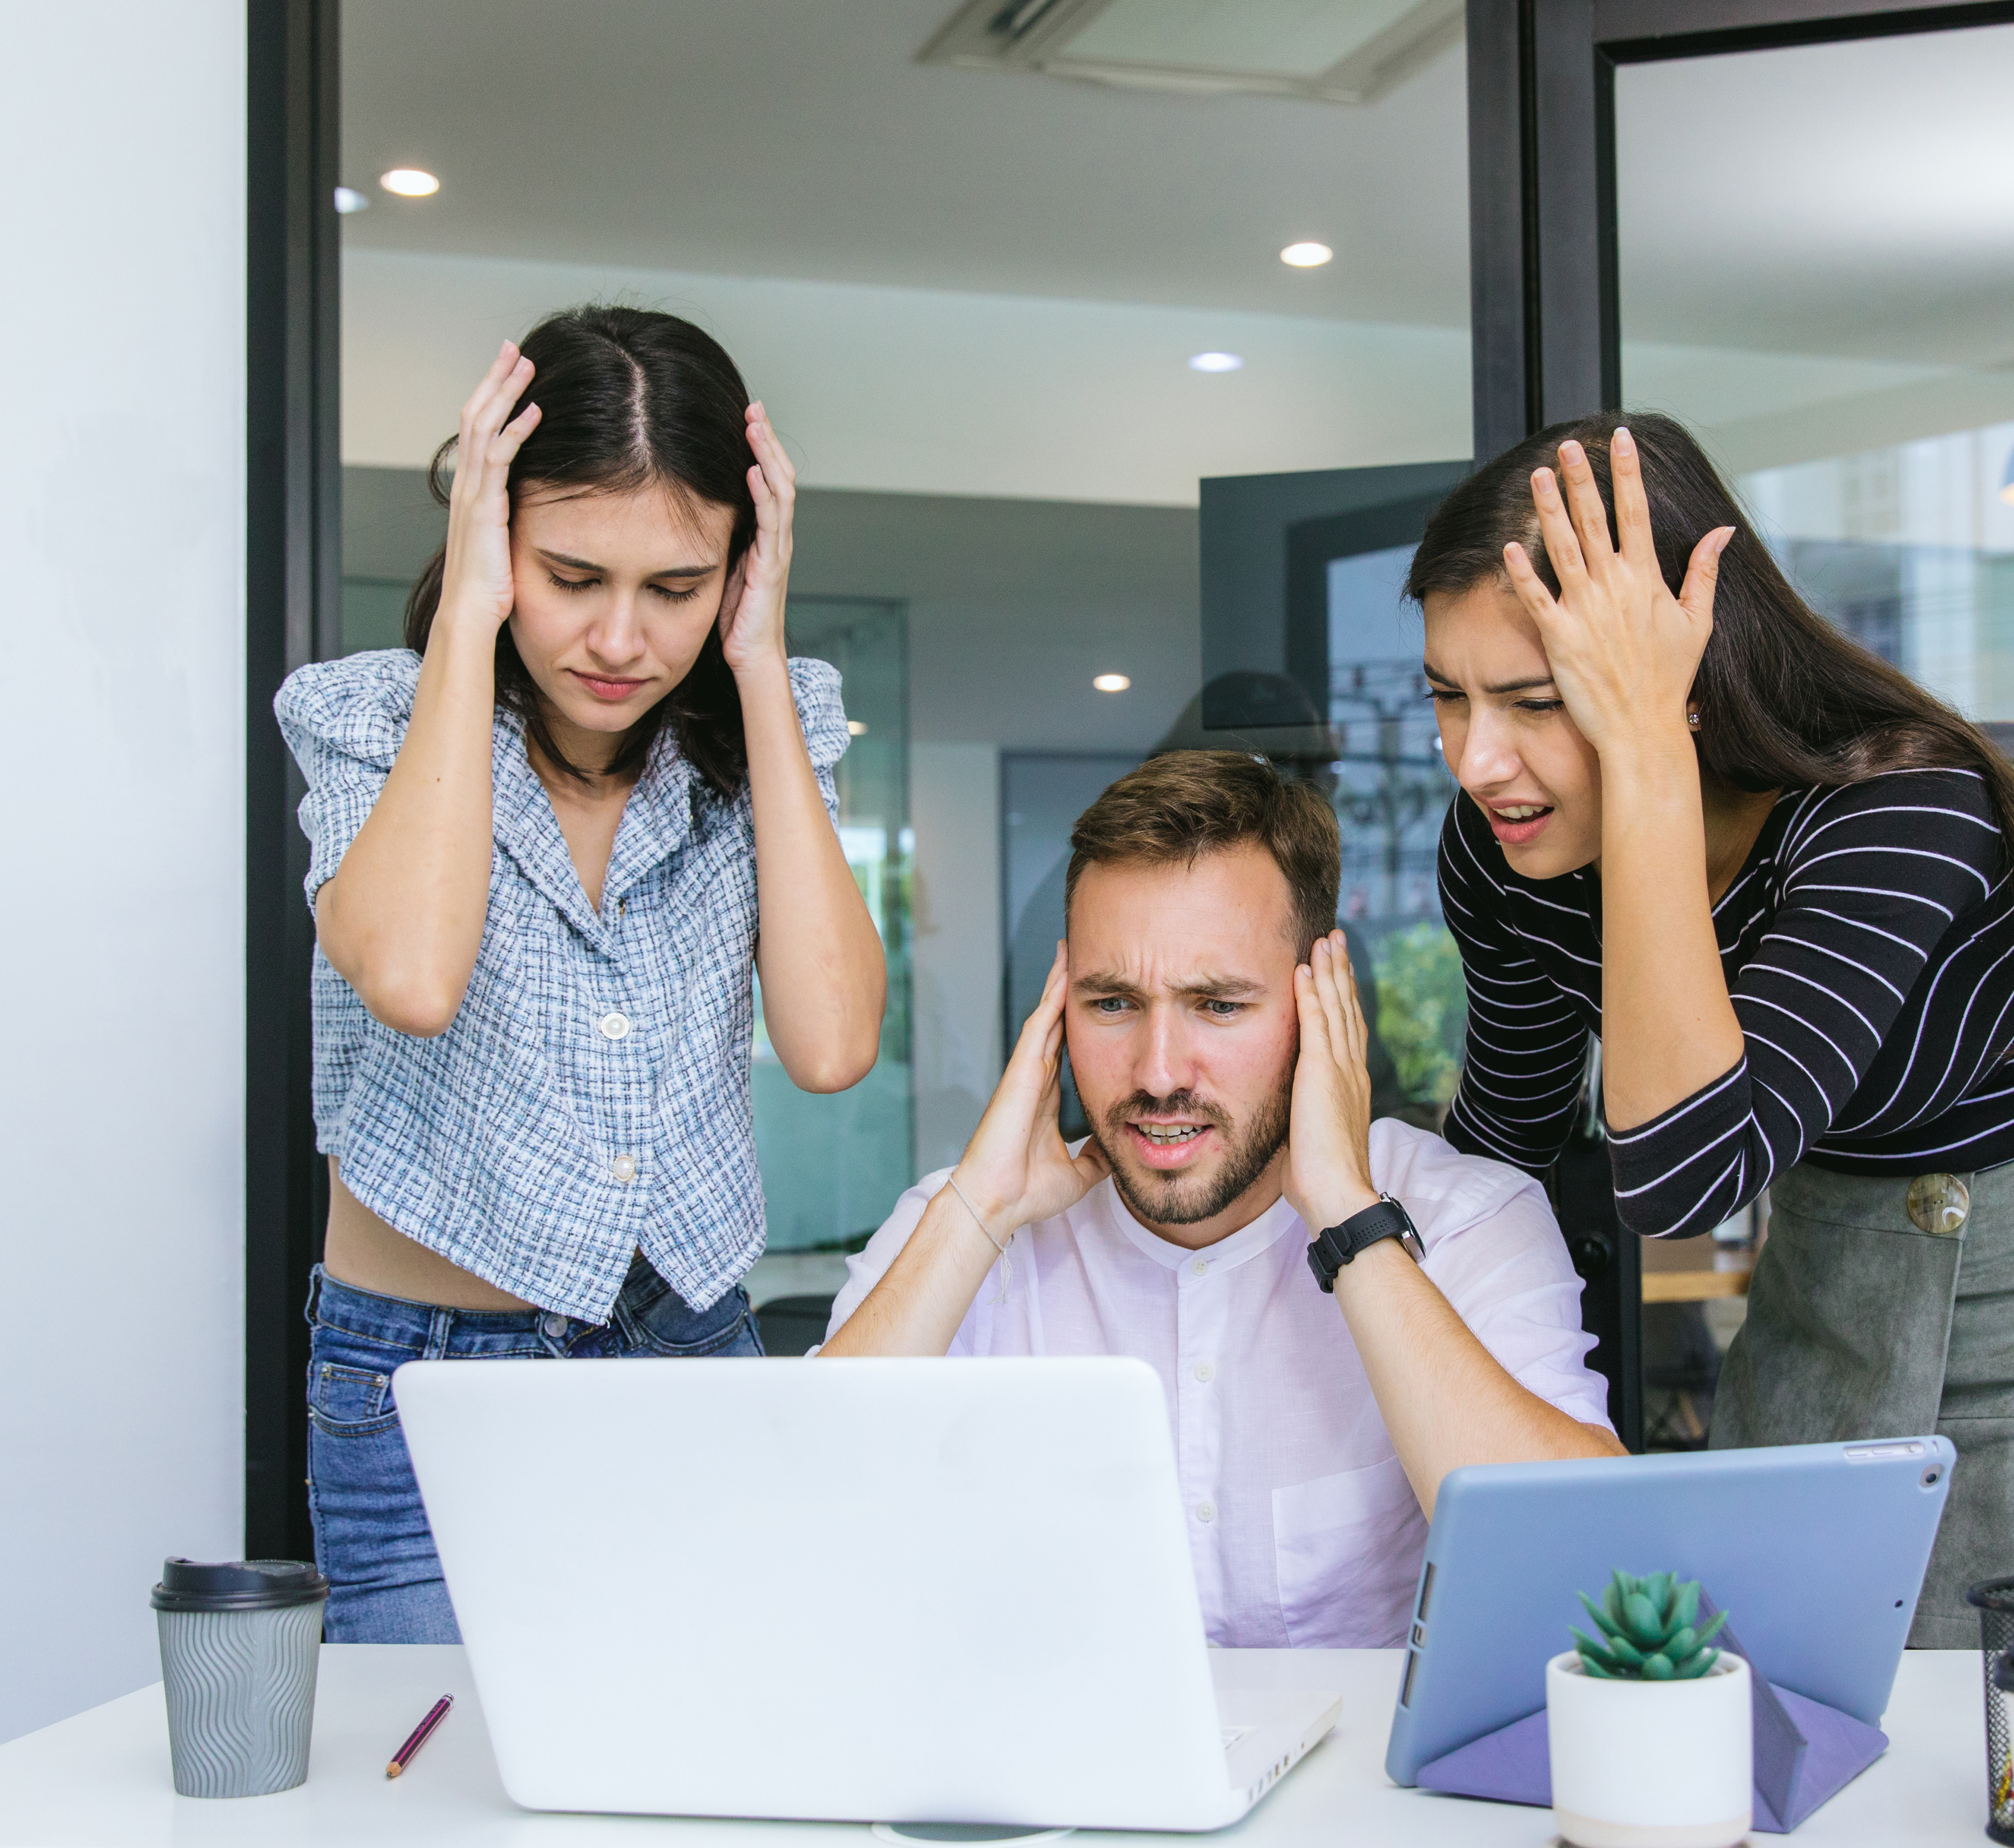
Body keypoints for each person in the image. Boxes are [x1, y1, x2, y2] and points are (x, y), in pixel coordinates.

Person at [1410, 413, 2014, 1649]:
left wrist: (1641, 746)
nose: (1481, 761)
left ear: (1681, 676)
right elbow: (1512, 1139)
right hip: (1833, 1286)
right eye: (1449, 696)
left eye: (1539, 701)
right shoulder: (1507, 855)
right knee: (1774, 1695)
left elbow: (1684, 1171)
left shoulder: (1899, 805)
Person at [275, 307, 886, 1641]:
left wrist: (762, 661)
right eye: (570, 575)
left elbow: (833, 1043)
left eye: (675, 587)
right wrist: (472, 618)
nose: (620, 638)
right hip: (424, 1383)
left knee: (710, 1794)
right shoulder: (372, 718)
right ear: (495, 538)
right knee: (441, 1811)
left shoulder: (766, 734)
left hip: (685, 1354)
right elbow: (414, 975)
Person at [822, 751, 1620, 1647]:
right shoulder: (963, 1224)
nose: (1159, 1074)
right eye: (1113, 1003)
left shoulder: (1465, 1217)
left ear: (1320, 999)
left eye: (1218, 1005)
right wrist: (975, 1214)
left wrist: (1350, 1222)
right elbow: (788, 1544)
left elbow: (1584, 1572)